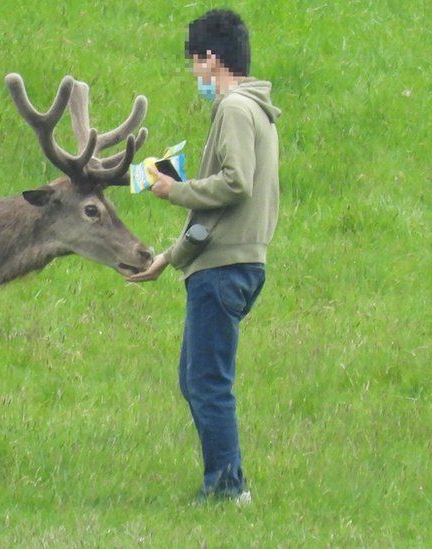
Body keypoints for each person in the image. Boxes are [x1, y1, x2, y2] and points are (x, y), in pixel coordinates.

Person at [126, 8, 281, 504]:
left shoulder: (235, 110)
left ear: (213, 59)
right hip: (229, 262)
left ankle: (228, 487)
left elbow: (235, 183)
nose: (195, 74)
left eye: (195, 63)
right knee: (195, 379)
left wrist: (176, 189)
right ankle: (223, 480)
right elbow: (219, 215)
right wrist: (171, 256)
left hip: (223, 269)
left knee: (208, 382)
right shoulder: (255, 112)